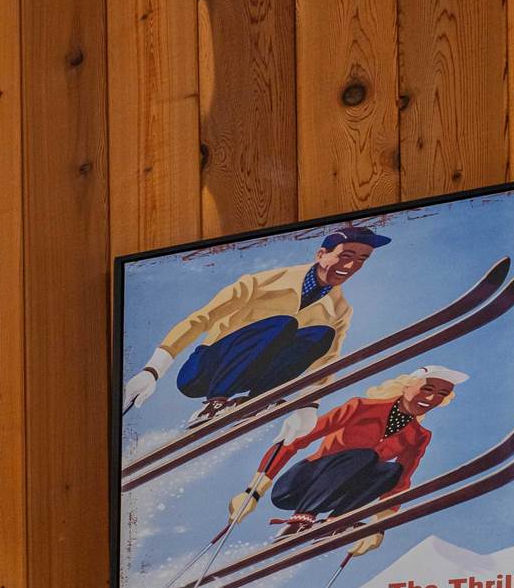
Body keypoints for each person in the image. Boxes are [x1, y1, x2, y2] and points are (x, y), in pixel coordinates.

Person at [121, 223, 390, 424]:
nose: (351, 266)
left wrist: (309, 407)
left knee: (322, 335)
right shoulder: (263, 283)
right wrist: (152, 370)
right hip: (204, 370)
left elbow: (326, 361)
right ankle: (214, 403)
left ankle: (257, 400)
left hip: (252, 375)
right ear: (321, 254)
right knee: (284, 324)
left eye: (361, 260)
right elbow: (202, 318)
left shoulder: (340, 309)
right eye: (346, 255)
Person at [231, 367, 463, 552]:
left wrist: (377, 526)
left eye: (441, 395)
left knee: (391, 472)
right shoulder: (360, 407)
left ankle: (335, 522)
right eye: (427, 389)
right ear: (406, 386)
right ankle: (299, 520)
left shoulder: (419, 436)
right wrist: (254, 490)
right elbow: (296, 439)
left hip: (335, 496)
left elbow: (401, 483)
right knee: (367, 455)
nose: (431, 398)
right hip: (298, 485)